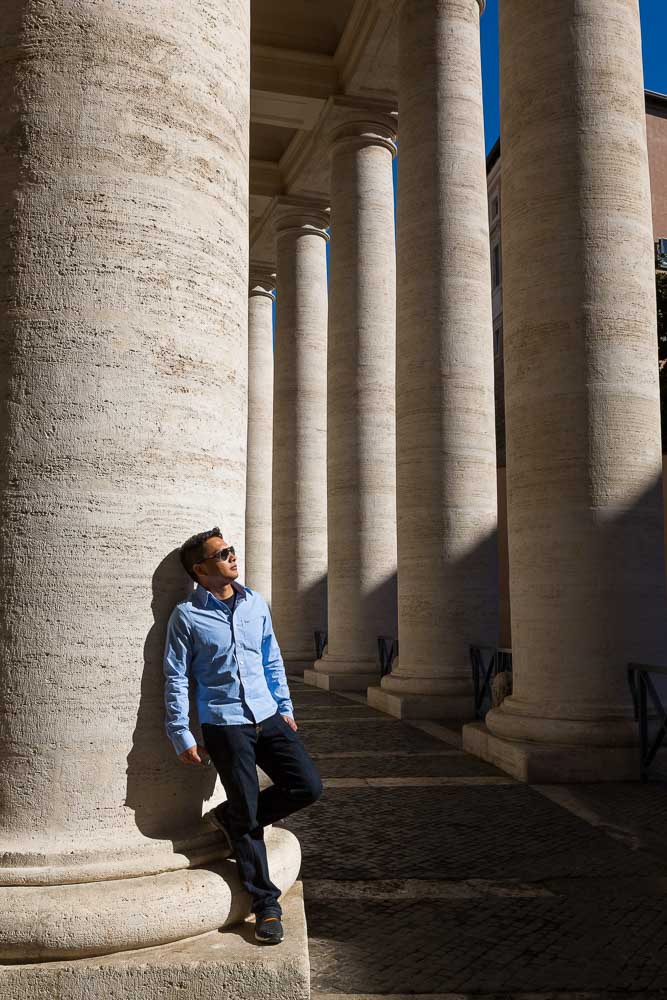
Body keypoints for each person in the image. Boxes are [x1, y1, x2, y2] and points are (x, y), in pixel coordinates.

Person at [163, 527, 323, 945]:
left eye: (231, 550)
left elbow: (271, 657)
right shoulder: (187, 616)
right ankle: (265, 905)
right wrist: (181, 732)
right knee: (250, 813)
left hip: (267, 715)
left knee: (307, 786)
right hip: (225, 723)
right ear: (200, 569)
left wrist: (285, 708)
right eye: (223, 554)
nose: (233, 557)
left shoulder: (255, 604)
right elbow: (176, 677)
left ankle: (232, 819)